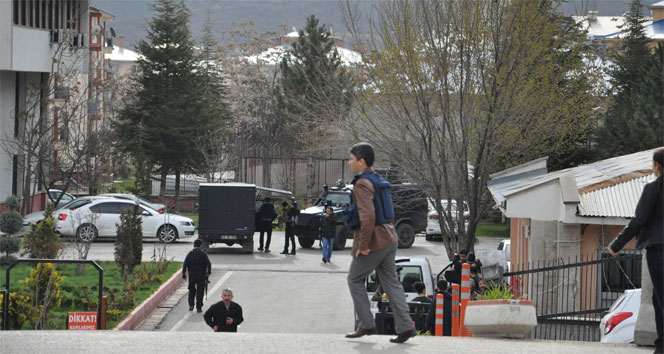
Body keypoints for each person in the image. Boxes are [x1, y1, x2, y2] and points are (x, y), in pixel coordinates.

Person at [344, 142, 417, 344]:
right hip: (390, 237)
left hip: (374, 241)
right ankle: (405, 327)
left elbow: (367, 217)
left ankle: (366, 323)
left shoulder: (362, 184)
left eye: (351, 159)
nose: (349, 163)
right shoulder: (378, 180)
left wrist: (364, 245)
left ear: (361, 161)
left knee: (354, 279)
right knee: (391, 283)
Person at [608, 148, 663, 354]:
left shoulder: (653, 189)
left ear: (657, 165)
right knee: (657, 299)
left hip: (658, 250)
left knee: (661, 299)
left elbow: (639, 221)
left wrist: (616, 245)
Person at [182, 239, 212, 313]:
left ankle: (191, 305)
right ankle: (199, 307)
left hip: (192, 274)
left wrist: (184, 274)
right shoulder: (203, 254)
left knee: (191, 290)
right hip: (201, 275)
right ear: (200, 245)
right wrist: (209, 272)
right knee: (200, 291)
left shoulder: (190, 254)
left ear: (194, 245)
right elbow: (209, 264)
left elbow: (185, 264)